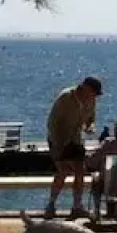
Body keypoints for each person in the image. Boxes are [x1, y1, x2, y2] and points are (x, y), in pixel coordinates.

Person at [46, 76, 103, 218]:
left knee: (80, 171)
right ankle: (51, 205)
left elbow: (91, 118)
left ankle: (77, 206)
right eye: (94, 92)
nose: (95, 96)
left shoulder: (92, 100)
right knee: (62, 171)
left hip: (76, 139)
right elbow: (52, 122)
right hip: (59, 139)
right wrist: (58, 145)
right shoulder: (66, 97)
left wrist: (90, 127)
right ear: (86, 88)